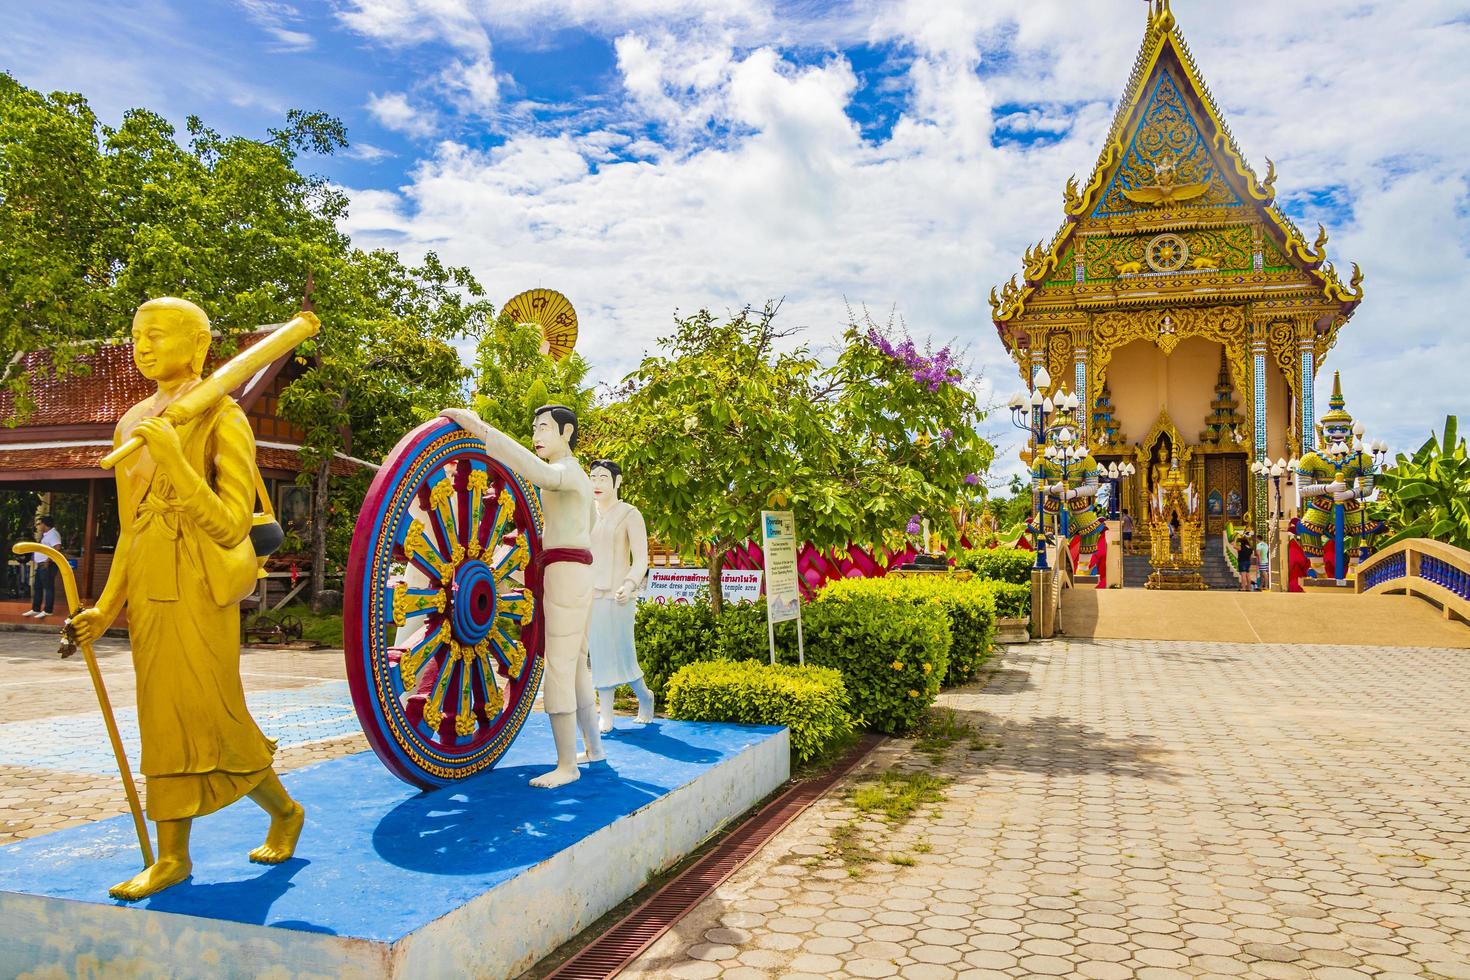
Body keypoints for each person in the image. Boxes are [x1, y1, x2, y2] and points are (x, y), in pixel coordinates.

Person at [72, 297, 304, 901]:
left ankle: (283, 811)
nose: (142, 346)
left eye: (157, 335)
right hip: (150, 586)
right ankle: (173, 856)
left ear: (198, 346)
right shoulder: (131, 424)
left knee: (212, 711)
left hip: (200, 584)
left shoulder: (223, 417)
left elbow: (231, 524)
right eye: (136, 335)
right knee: (161, 718)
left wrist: (176, 460)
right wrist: (106, 606)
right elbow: (131, 527)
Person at [443, 403, 606, 788]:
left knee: (561, 668)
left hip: (566, 573)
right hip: (576, 570)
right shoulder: (578, 478)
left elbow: (538, 474)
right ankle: (593, 749)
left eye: (545, 428)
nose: (537, 435)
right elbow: (591, 522)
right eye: (535, 428)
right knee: (578, 664)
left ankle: (567, 765)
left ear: (566, 434)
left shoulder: (565, 472)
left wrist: (483, 433)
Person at [587, 460, 655, 732]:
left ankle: (645, 696)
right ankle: (606, 714)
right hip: (593, 594)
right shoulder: (587, 513)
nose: (597, 484)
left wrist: (630, 584)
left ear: (617, 482)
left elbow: (641, 559)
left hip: (620, 595)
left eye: (603, 478)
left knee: (624, 652)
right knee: (600, 653)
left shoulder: (630, 514)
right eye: (593, 478)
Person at [23, 515, 62, 619]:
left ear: (45, 524)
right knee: (38, 587)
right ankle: (36, 609)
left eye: (40, 524)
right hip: (40, 565)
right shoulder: (46, 535)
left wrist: (48, 560)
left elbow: (57, 548)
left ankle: (48, 610)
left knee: (48, 588)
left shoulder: (53, 534)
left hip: (47, 565)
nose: (39, 526)